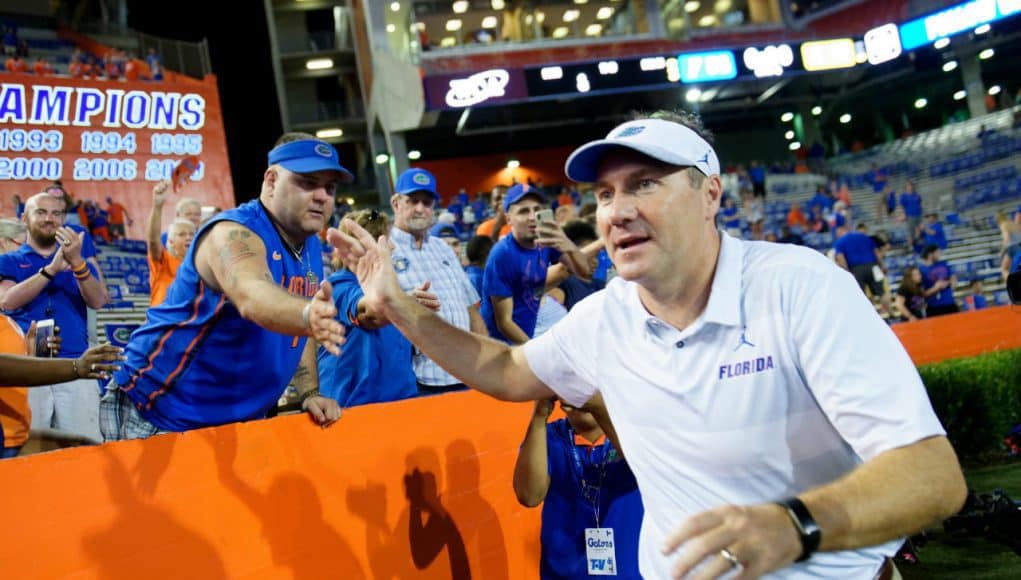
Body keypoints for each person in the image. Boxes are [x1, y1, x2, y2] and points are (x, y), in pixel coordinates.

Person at [330, 111, 966, 579]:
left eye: (644, 185)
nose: (616, 211)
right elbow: (503, 366)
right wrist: (398, 307)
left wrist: (792, 524)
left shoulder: (801, 289)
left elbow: (933, 477)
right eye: (605, 194)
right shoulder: (606, 317)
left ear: (710, 193)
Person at [100, 134, 348, 440]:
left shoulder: (309, 245)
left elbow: (299, 326)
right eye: (308, 182)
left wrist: (309, 391)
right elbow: (252, 293)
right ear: (271, 181)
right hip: (160, 409)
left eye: (330, 187)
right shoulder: (231, 233)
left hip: (233, 418)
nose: (322, 195)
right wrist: (307, 312)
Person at [0, 193, 109, 441]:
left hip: (75, 368)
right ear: (24, 218)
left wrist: (77, 263)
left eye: (56, 213)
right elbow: (5, 301)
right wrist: (51, 270)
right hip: (27, 368)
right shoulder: (8, 260)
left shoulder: (78, 262)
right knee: (27, 447)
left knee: (84, 448)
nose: (49, 219)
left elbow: (98, 300)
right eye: (41, 212)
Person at [317, 209, 437, 408]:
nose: (392, 246)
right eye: (384, 240)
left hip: (402, 404)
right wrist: (402, 304)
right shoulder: (338, 287)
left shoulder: (394, 291)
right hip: (353, 410)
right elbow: (369, 314)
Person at [513, 396, 643, 579]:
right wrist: (538, 417)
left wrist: (598, 406)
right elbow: (529, 496)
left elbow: (643, 467)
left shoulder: (634, 435)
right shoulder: (549, 438)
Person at [388, 167, 488, 395]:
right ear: (396, 204)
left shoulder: (443, 247)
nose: (420, 209)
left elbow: (471, 309)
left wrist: (485, 364)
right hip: (421, 380)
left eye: (427, 202)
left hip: (467, 373)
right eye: (413, 201)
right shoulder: (384, 249)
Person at [480, 184, 598, 344]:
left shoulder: (546, 241)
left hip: (526, 335)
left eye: (537, 209)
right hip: (501, 346)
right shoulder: (502, 254)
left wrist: (567, 244)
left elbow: (584, 272)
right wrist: (532, 351)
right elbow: (504, 323)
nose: (532, 216)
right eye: (523, 211)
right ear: (508, 219)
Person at [146, 180, 196, 306]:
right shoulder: (163, 261)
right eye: (182, 234)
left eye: (191, 234)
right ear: (170, 241)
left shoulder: (199, 268)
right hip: (163, 322)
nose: (188, 237)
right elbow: (153, 241)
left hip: (189, 323)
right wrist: (157, 206)